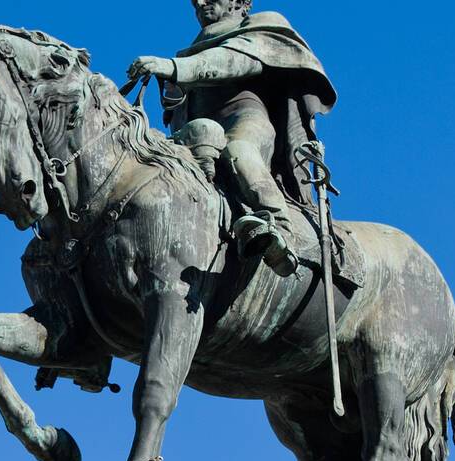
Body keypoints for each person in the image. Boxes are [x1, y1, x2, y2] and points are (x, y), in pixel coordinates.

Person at [127, 0, 336, 276]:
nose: (200, 2)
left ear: (239, 1)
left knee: (239, 151)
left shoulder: (262, 25)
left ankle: (280, 229)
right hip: (199, 135)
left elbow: (235, 61)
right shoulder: (190, 51)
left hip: (245, 121)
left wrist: (174, 67)